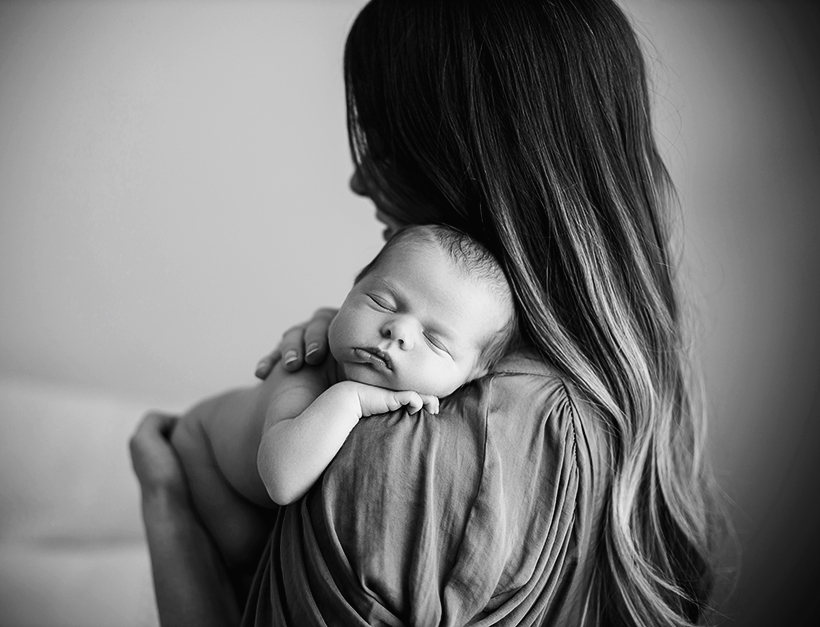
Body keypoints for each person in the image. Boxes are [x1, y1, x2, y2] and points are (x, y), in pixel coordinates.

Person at [130, 1, 725, 625]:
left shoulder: (416, 449)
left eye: (386, 145)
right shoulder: (608, 406)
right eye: (384, 303)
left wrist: (168, 506)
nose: (362, 181)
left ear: (470, 163)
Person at [169, 224, 515, 592]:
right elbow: (282, 479)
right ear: (350, 291)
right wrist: (352, 398)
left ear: (475, 373)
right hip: (200, 445)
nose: (398, 330)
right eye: (382, 302)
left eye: (434, 340)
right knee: (244, 550)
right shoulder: (304, 376)